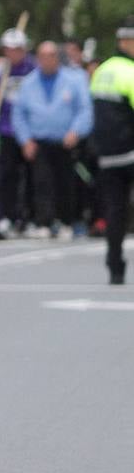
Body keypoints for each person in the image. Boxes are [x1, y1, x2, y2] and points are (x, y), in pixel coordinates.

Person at [13, 40, 93, 239]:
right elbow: (19, 114)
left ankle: (66, 220)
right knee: (41, 182)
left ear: (57, 58)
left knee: (66, 182)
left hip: (65, 141)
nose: (46, 61)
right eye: (42, 57)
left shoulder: (73, 79)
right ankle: (44, 221)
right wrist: (25, 140)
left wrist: (76, 131)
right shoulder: (28, 82)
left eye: (50, 56)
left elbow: (84, 109)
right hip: (39, 140)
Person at [89, 18, 134, 283]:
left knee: (115, 211)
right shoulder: (130, 72)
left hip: (107, 154)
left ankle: (114, 267)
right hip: (130, 151)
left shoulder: (102, 70)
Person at [0, 29, 36, 237]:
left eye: (17, 49)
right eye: (9, 49)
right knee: (6, 176)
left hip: (29, 131)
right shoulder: (1, 71)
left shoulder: (33, 70)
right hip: (6, 130)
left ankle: (29, 217)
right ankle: (6, 217)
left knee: (32, 176)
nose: (13, 53)